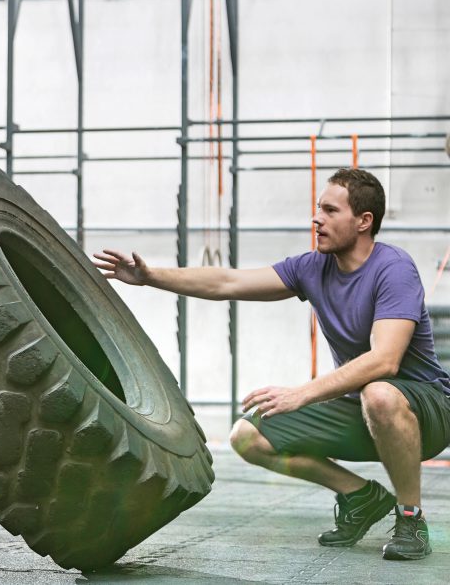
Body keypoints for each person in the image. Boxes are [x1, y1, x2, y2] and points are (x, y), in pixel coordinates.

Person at [93, 168, 450, 561]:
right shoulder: (312, 267)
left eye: (330, 210)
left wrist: (302, 393)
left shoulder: (394, 268)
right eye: (318, 209)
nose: (317, 218)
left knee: (379, 394)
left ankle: (410, 516)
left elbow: (385, 360)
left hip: (426, 408)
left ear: (364, 221)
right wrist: (150, 276)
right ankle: (360, 495)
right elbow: (227, 282)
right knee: (247, 437)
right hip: (362, 406)